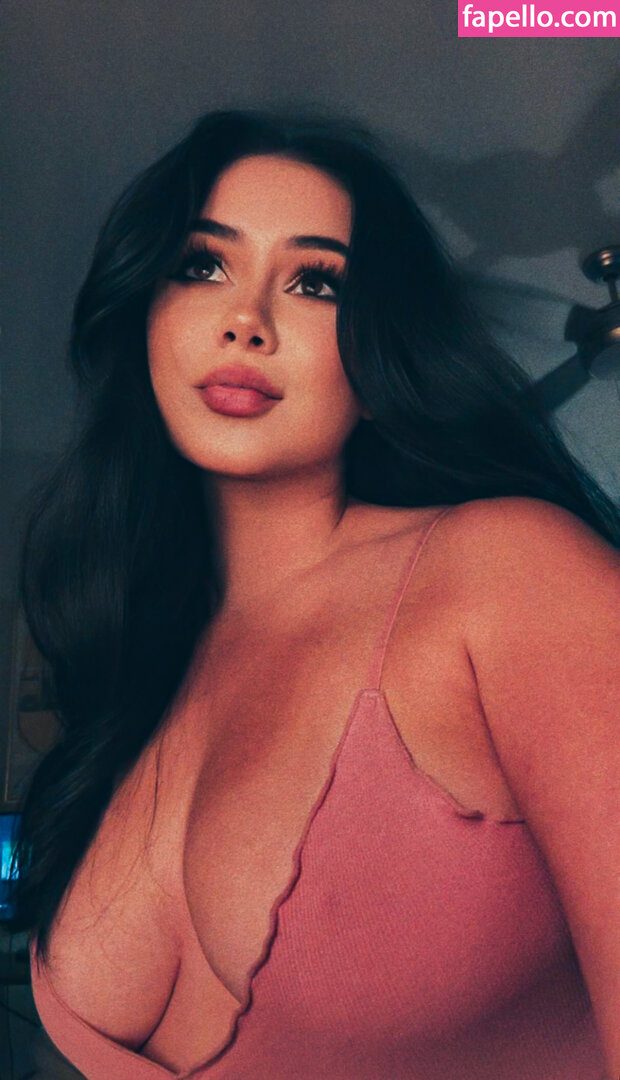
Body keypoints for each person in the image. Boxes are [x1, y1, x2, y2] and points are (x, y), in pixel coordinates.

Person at [8, 109, 619, 1080]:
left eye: (314, 282)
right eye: (201, 265)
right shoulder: (137, 663)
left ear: (378, 359)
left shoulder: (504, 576)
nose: (245, 319)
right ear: (146, 320)